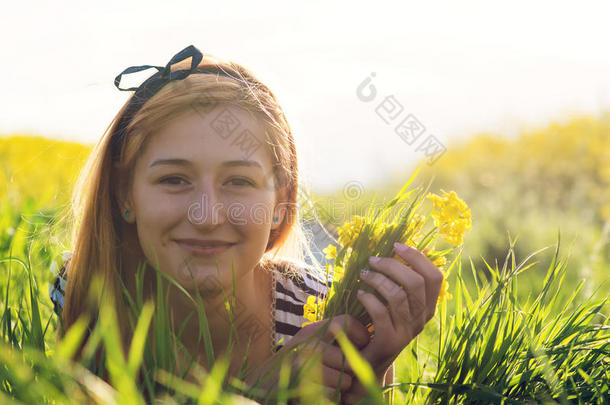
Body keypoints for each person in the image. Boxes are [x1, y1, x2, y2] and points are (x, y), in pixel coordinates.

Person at [49, 45, 444, 404]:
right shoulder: (87, 289)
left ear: (279, 202)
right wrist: (257, 395)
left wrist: (368, 375)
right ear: (124, 195)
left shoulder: (320, 311)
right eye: (174, 180)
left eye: (238, 182)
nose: (207, 216)